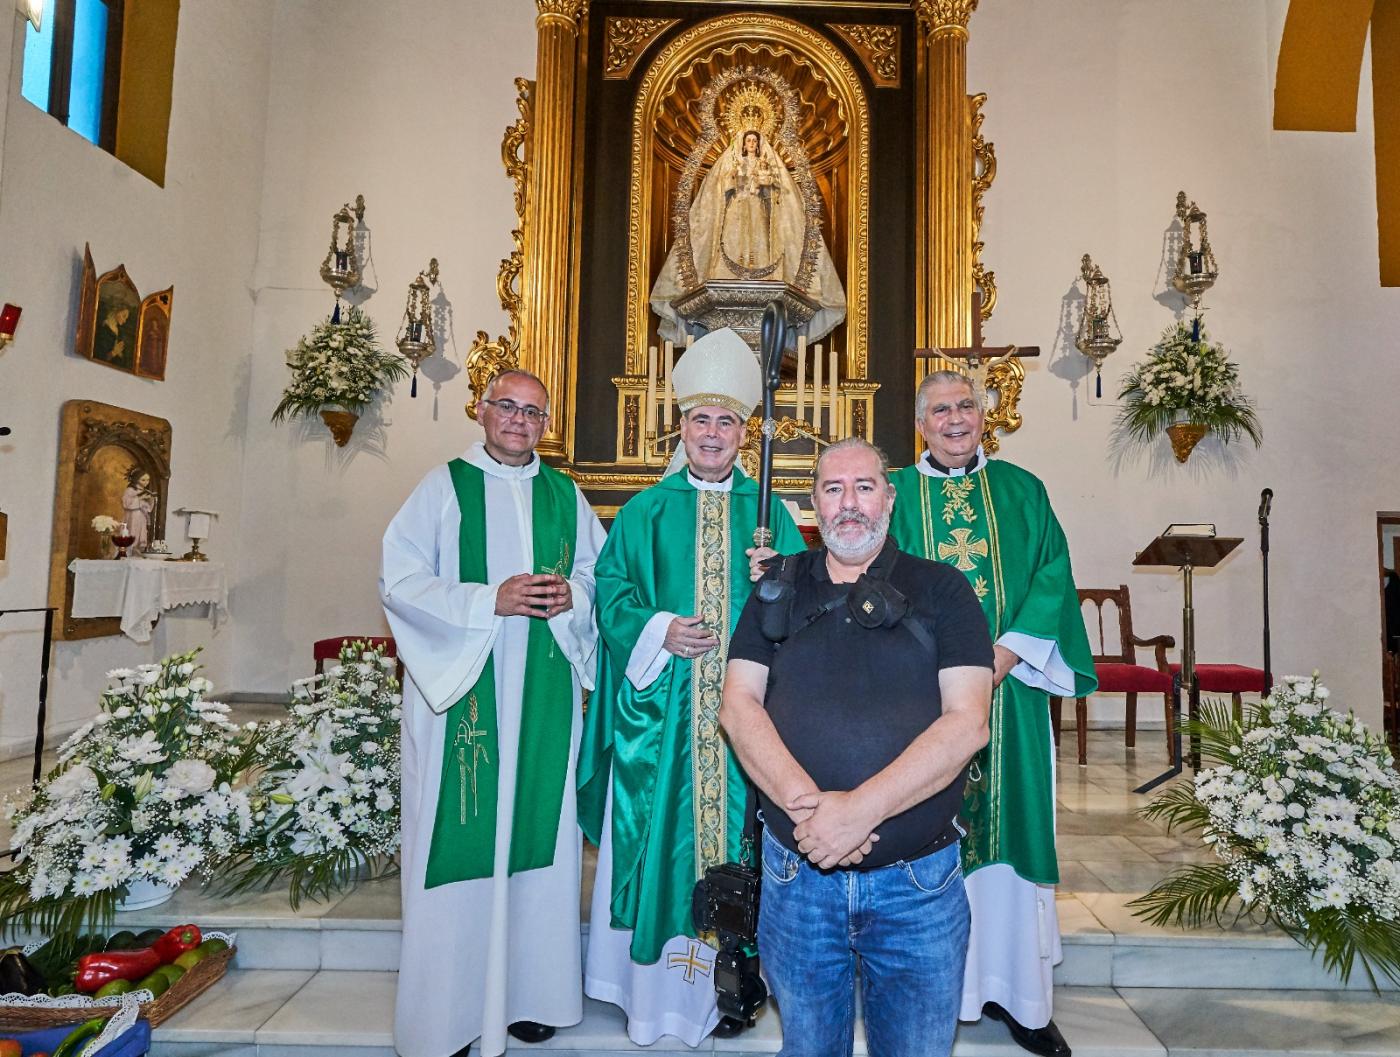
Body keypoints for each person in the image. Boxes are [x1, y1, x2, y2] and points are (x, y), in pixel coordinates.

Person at [721, 437, 994, 1057]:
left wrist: (859, 811)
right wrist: (810, 810)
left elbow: (967, 723)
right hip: (797, 879)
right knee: (810, 1047)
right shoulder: (777, 585)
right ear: (813, 502)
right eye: (833, 489)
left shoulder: (943, 589)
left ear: (888, 500)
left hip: (916, 883)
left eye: (864, 487)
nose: (849, 504)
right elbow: (738, 705)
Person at [577, 327, 806, 1045]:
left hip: (751, 721)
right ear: (681, 426)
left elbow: (812, 607)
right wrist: (658, 630)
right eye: (700, 419)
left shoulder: (772, 520)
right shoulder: (647, 510)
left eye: (727, 420)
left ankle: (741, 980)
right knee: (664, 836)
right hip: (666, 719)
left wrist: (779, 580)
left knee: (751, 841)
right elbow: (608, 595)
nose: (713, 432)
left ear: (745, 431)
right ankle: (656, 994)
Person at [380, 369, 606, 1057]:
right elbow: (400, 578)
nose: (518, 420)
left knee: (540, 837)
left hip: (543, 693)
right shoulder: (444, 486)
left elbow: (599, 577)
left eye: (533, 411)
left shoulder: (567, 494)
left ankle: (534, 994)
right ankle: (448, 1010)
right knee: (466, 834)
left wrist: (573, 597)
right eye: (507, 406)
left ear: (546, 423)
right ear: (482, 410)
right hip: (465, 696)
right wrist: (488, 601)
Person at [889, 371, 1097, 1057]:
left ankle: (1022, 1000)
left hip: (1011, 694)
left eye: (966, 406)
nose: (956, 419)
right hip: (921, 698)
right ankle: (929, 994)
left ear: (985, 415)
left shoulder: (1023, 491)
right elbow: (871, 574)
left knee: (1011, 835)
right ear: (921, 424)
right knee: (922, 836)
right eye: (941, 409)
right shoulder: (894, 493)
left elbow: (1052, 575)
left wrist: (1003, 654)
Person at [649, 117, 845, 345]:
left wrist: (764, 184)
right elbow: (719, 190)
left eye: (755, 140)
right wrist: (735, 180)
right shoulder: (731, 163)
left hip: (757, 209)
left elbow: (778, 198)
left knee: (759, 236)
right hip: (737, 209)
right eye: (749, 140)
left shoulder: (766, 164)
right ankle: (727, 274)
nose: (751, 143)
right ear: (742, 143)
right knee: (733, 237)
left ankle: (763, 272)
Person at [121, 468, 155, 554]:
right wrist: (140, 498)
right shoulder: (130, 490)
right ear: (136, 479)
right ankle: (130, 550)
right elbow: (126, 503)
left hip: (142, 516)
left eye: (148, 480)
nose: (146, 482)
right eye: (143, 480)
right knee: (133, 532)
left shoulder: (145, 491)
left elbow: (148, 508)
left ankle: (139, 549)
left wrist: (151, 499)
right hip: (133, 516)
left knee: (142, 532)